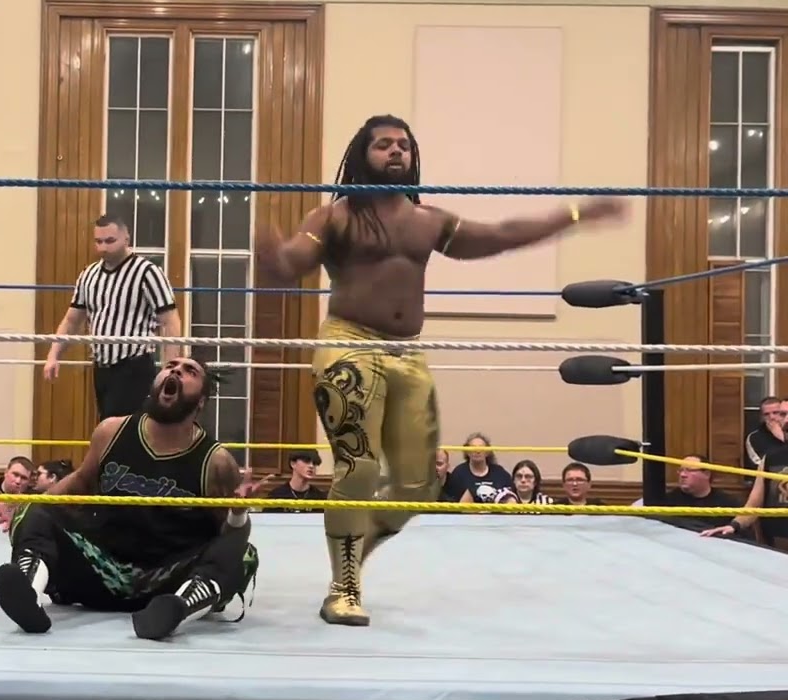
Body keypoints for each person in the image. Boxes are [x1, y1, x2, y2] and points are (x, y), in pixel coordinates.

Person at [253, 114, 628, 626]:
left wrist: (574, 214)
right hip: (348, 345)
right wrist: (271, 252)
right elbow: (292, 261)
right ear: (363, 155)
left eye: (403, 145)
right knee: (359, 467)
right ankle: (343, 587)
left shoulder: (427, 221)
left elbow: (499, 235)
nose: (395, 151)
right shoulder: (335, 217)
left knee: (417, 487)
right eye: (383, 144)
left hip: (407, 354)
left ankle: (350, 558)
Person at [0, 357, 260, 641]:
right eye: (170, 366)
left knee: (243, 554)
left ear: (201, 401)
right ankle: (28, 594)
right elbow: (79, 484)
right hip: (101, 568)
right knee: (36, 510)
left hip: (167, 580)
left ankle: (178, 610)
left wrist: (239, 513)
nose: (176, 370)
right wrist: (26, 510)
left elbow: (229, 538)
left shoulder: (216, 462)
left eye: (190, 371)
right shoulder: (112, 432)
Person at [43, 214, 183, 419]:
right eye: (98, 241)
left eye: (110, 241)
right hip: (102, 368)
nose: (103, 248)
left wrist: (169, 369)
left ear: (126, 239)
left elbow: (170, 320)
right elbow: (72, 320)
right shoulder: (89, 274)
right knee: (107, 425)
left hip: (133, 366)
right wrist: (53, 355)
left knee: (121, 428)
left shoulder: (147, 272)